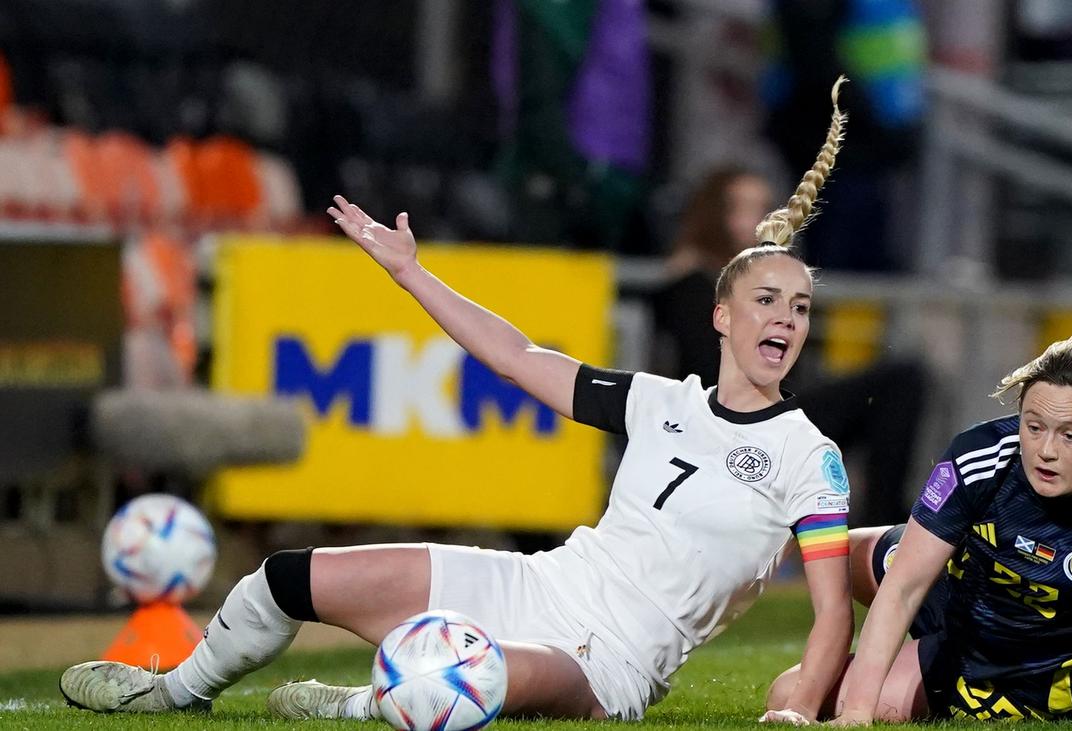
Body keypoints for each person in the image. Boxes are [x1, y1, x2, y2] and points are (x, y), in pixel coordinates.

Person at [59, 78, 854, 725]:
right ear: (722, 315)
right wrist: (411, 273)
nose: (785, 320)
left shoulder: (806, 455)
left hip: (610, 661)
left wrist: (796, 711)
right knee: (285, 577)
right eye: (766, 301)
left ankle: (359, 703)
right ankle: (174, 690)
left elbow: (829, 615)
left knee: (463, 677)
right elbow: (515, 357)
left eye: (799, 307)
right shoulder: (656, 400)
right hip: (536, 585)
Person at [766, 336, 1072, 726]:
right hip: (958, 591)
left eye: (1070, 436)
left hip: (1014, 671)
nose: (1046, 450)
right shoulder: (981, 455)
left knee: (784, 692)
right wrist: (857, 713)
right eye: (1034, 426)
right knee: (830, 554)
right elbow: (903, 588)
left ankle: (922, 666)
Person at [654, 167, 927, 528]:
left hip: (779, 408)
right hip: (736, 422)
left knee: (900, 382)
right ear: (715, 216)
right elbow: (711, 371)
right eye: (744, 209)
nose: (760, 222)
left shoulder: (768, 279)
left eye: (765, 208)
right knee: (900, 382)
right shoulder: (694, 284)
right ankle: (881, 525)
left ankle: (881, 525)